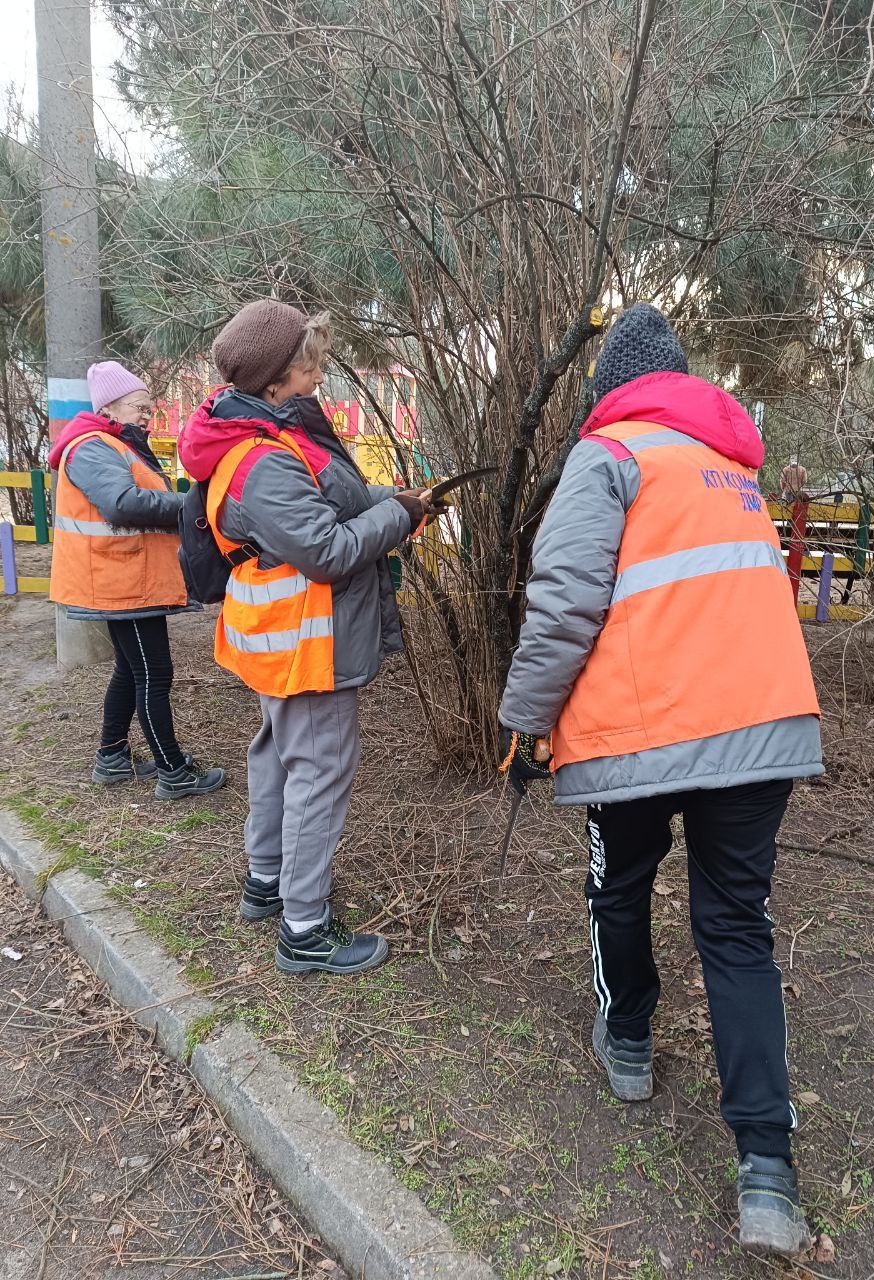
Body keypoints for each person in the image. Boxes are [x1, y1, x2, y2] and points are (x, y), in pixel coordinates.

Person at [498, 305, 823, 1257]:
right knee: (736, 930)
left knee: (620, 883)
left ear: (608, 388)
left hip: (643, 733)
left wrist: (523, 725)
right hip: (764, 728)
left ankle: (629, 1043)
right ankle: (767, 1169)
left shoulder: (611, 460)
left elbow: (561, 607)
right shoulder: (733, 470)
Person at [178, 299, 440, 978]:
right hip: (305, 644)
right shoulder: (262, 460)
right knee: (318, 773)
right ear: (273, 382)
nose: (319, 377)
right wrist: (401, 517)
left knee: (275, 757)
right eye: (309, 367)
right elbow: (327, 548)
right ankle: (304, 928)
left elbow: (332, 498)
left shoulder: (264, 435)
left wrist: (394, 498)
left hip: (279, 640)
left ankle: (267, 882)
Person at [48, 361, 226, 801]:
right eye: (139, 407)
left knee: (131, 670)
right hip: (121, 581)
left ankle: (111, 757)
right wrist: (189, 507)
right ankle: (173, 771)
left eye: (150, 407)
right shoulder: (93, 447)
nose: (148, 416)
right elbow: (122, 503)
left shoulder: (110, 444)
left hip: (123, 578)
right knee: (154, 674)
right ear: (109, 406)